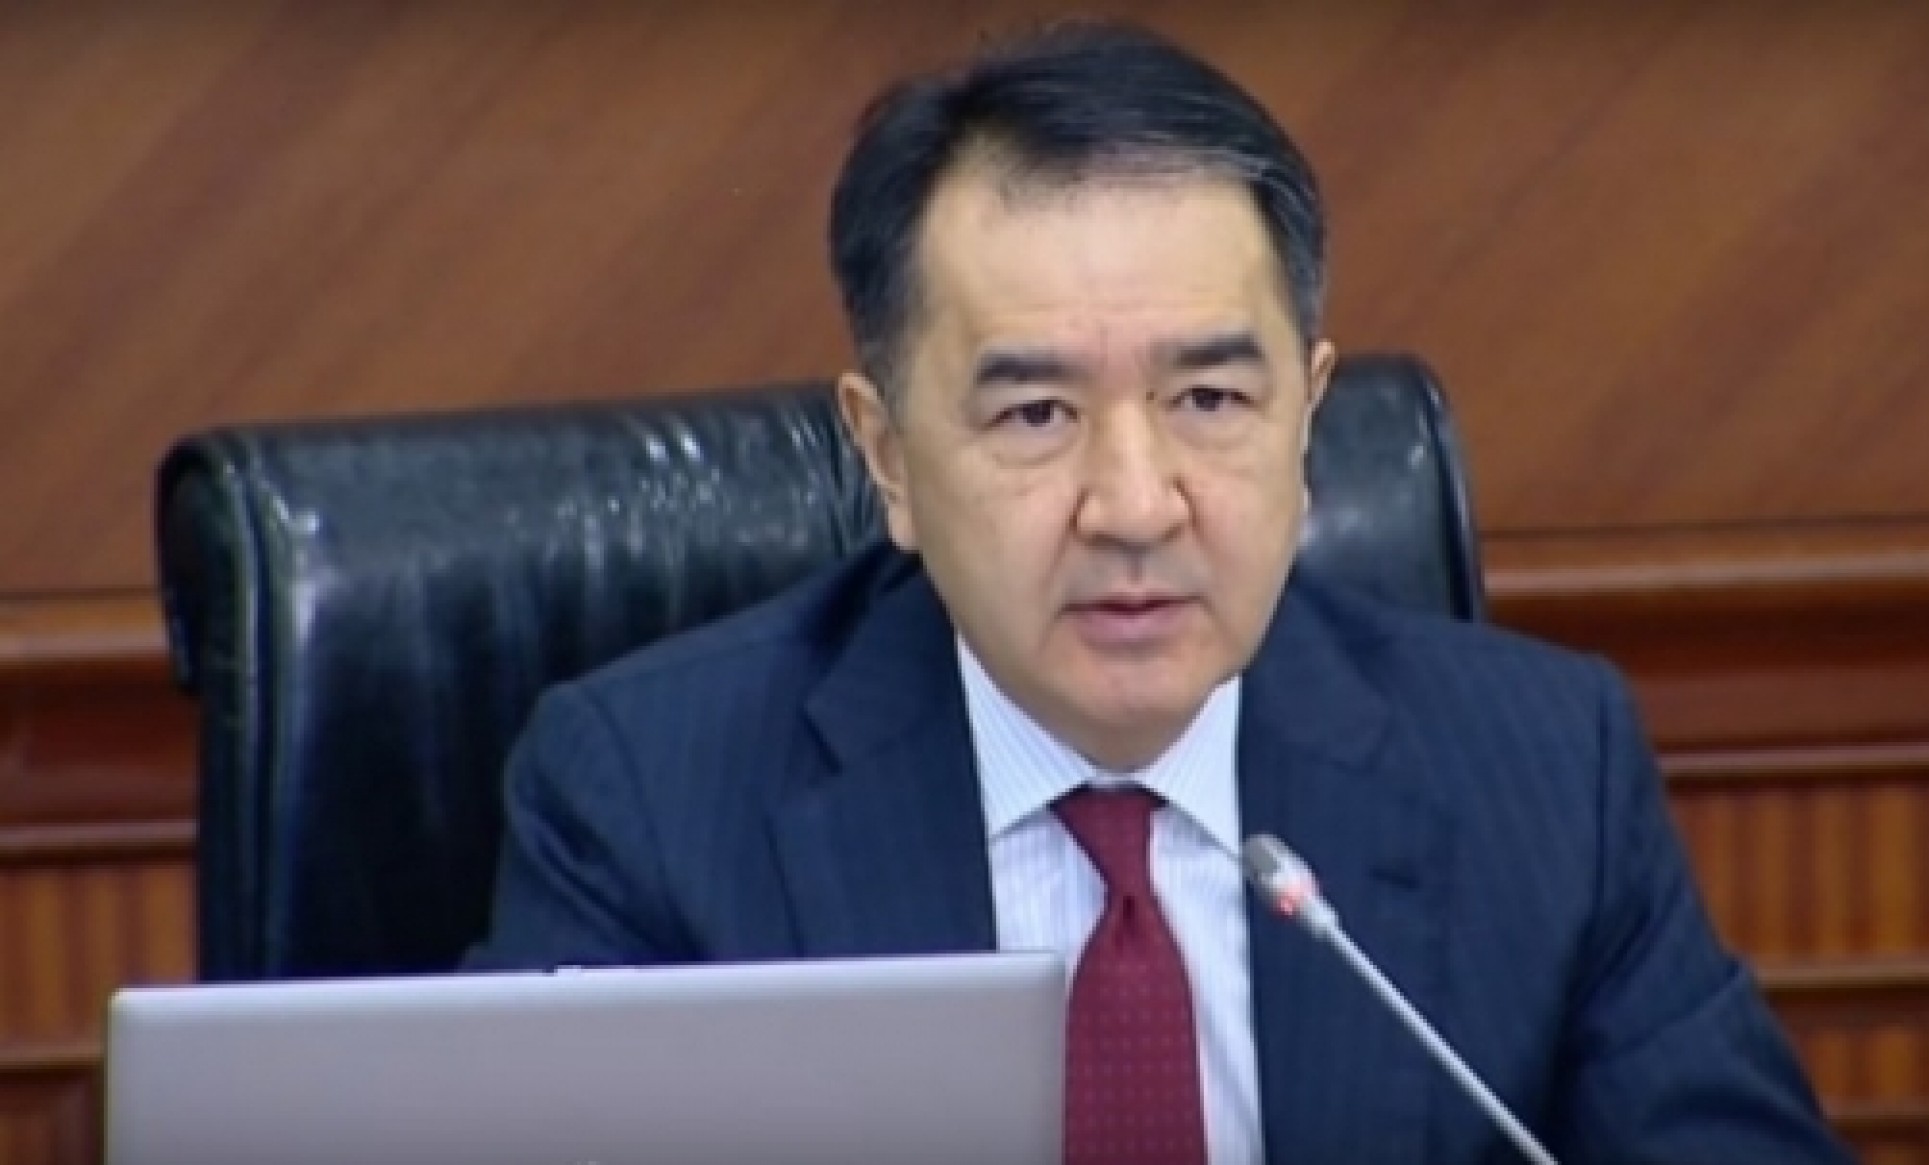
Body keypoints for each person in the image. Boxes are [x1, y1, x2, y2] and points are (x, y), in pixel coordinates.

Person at [462, 20, 1853, 1165]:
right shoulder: (650, 802)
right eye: (1035, 415)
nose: (1135, 506)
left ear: (1305, 418)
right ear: (887, 457)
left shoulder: (1542, 774)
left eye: (1209, 399)